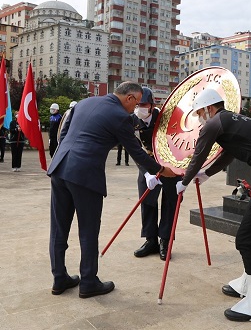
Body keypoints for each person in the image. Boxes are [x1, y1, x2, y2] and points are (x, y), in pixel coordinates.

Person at [176, 89, 251, 322]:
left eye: (200, 113)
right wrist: (206, 175)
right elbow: (229, 154)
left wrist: (183, 182)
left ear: (209, 108)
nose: (200, 119)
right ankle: (247, 283)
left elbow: (198, 154)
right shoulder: (234, 120)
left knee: (246, 238)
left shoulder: (214, 123)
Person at [47, 82, 176, 299]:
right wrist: (162, 170)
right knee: (88, 230)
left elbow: (63, 134)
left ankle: (59, 278)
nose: (135, 109)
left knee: (59, 228)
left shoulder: (85, 102)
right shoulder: (120, 116)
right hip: (85, 175)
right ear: (131, 99)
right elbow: (137, 152)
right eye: (136, 103)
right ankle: (88, 281)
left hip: (60, 168)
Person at [131, 87, 182, 260]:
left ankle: (165, 241)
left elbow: (178, 141)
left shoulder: (165, 118)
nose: (140, 108)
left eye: (143, 104)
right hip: (147, 167)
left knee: (170, 204)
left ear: (152, 105)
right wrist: (147, 174)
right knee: (147, 203)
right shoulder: (131, 120)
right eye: (137, 104)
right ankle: (150, 240)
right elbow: (135, 150)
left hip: (169, 167)